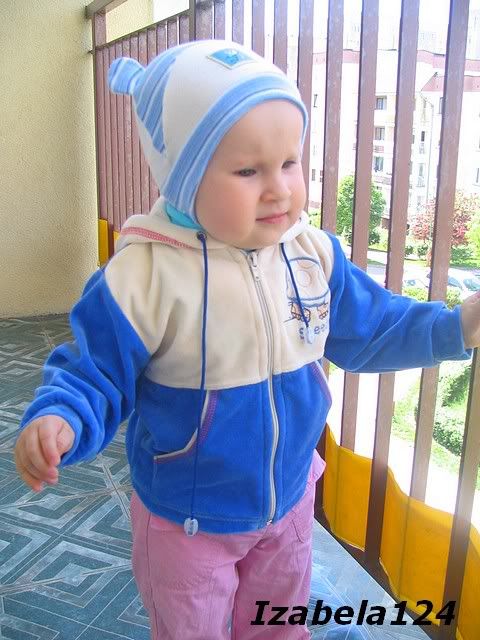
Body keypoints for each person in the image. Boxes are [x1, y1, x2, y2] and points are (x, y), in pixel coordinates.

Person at [14, 39, 479, 639]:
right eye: (248, 171)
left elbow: (377, 326)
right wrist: (62, 416)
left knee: (278, 626)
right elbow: (93, 371)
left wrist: (455, 327)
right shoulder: (142, 277)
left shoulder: (311, 255)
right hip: (189, 523)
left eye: (289, 162)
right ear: (184, 178)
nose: (279, 188)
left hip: (289, 503)